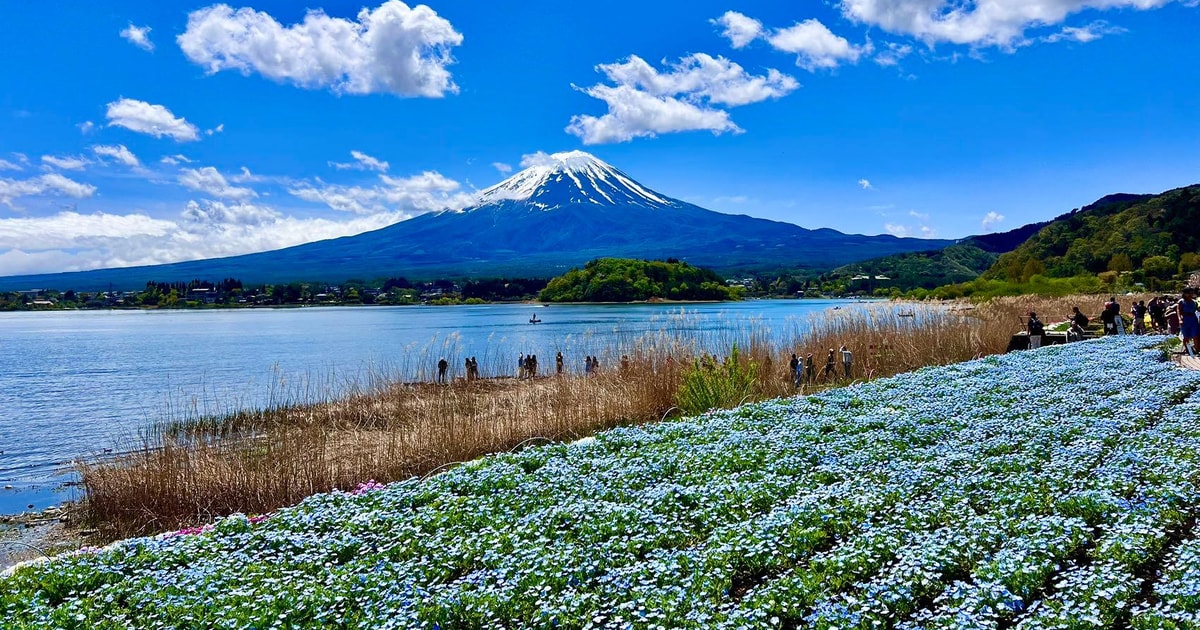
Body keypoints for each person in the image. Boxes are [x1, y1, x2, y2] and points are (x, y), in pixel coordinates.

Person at [1180, 288, 1199, 357]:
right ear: (1185, 294)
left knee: (1195, 335)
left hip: (1193, 319)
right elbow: (1178, 311)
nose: (1191, 294)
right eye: (1189, 293)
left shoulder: (1194, 302)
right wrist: (1180, 319)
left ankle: (1197, 351)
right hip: (1185, 319)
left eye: (1191, 293)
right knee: (1186, 336)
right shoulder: (1181, 302)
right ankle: (1189, 351)